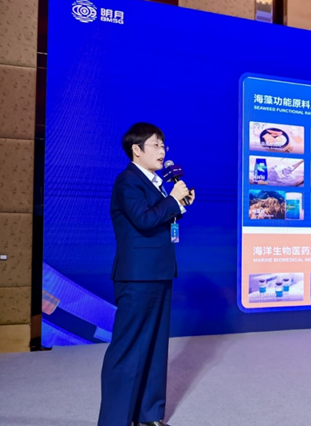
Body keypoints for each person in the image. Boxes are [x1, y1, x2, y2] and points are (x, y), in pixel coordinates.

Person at [98, 123, 195, 426]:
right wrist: (173, 200)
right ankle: (115, 420)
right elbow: (143, 219)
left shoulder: (155, 183)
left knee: (155, 347)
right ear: (136, 150)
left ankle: (149, 415)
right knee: (128, 349)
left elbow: (159, 219)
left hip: (159, 273)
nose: (162, 150)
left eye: (164, 145)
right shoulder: (127, 181)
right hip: (137, 277)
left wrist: (179, 205)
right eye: (155, 145)